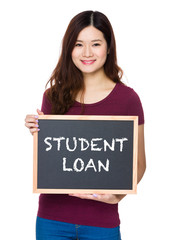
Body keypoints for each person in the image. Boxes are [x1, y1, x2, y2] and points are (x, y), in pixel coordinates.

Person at [25, 10, 146, 240]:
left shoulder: (128, 100)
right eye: (79, 44)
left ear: (108, 48)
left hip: (102, 222)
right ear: (69, 48)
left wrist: (117, 196)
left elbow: (139, 165)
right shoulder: (53, 96)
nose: (87, 53)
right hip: (52, 220)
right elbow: (54, 158)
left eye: (96, 44)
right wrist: (40, 133)